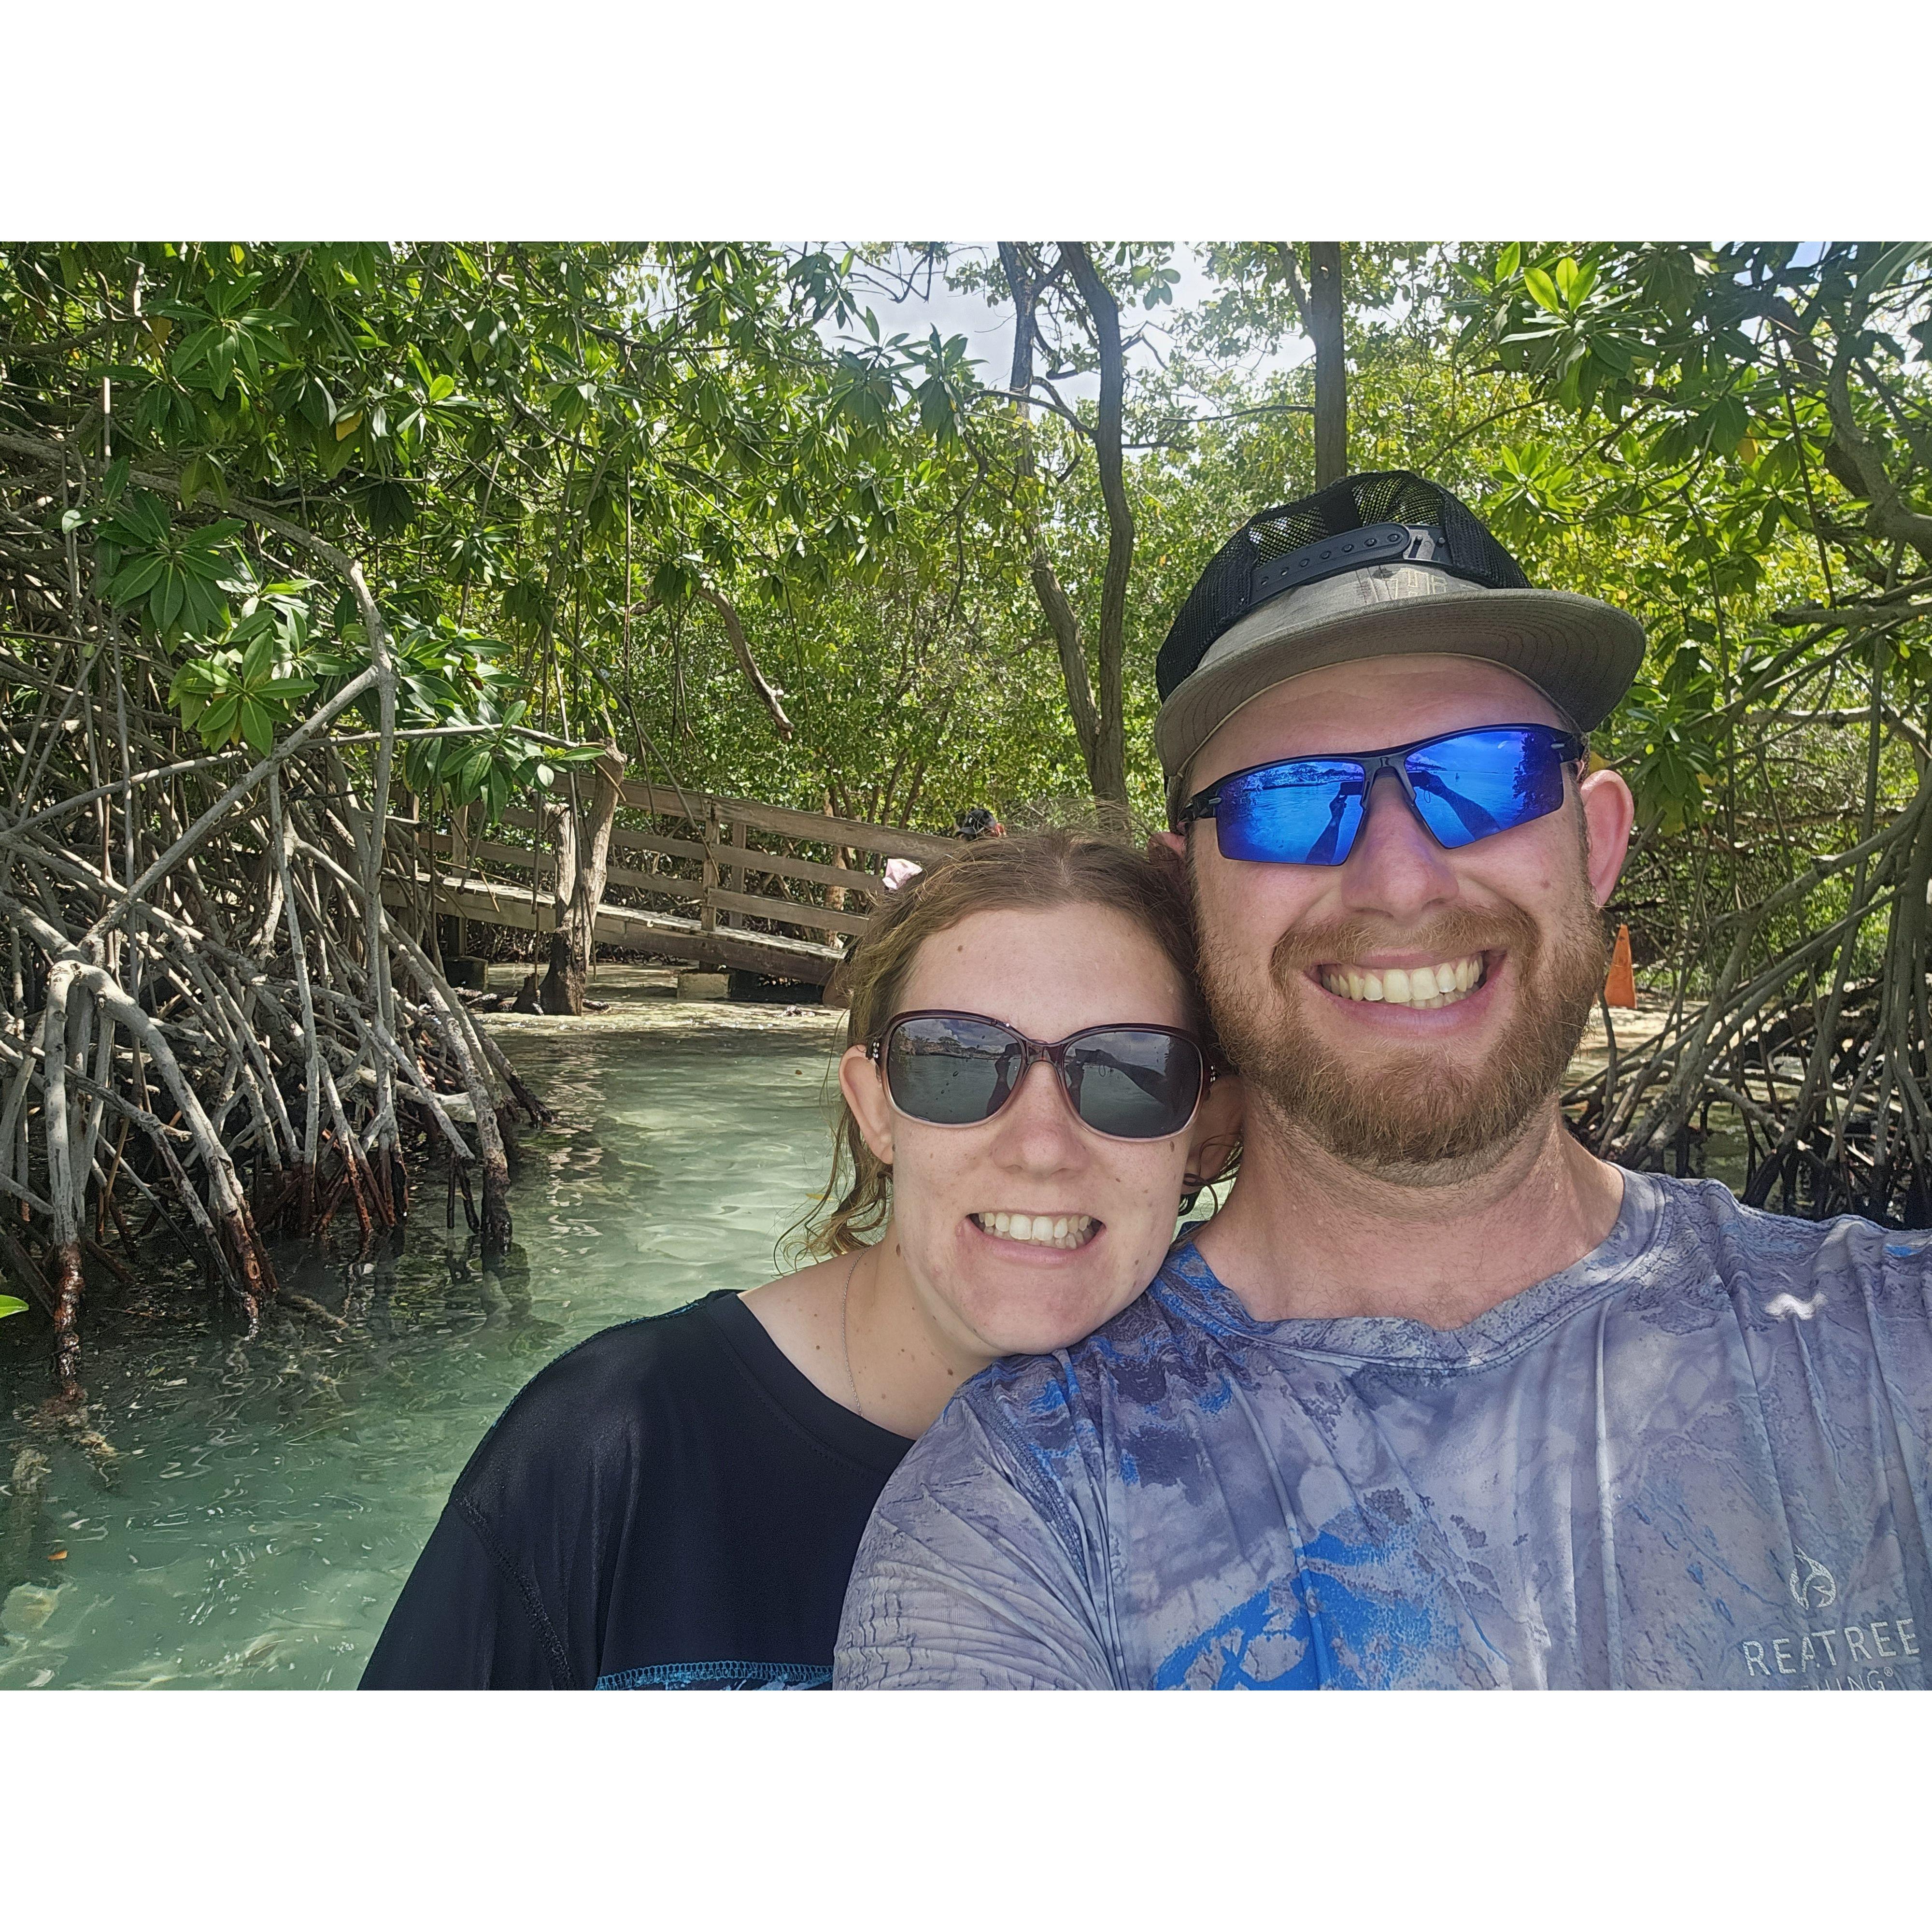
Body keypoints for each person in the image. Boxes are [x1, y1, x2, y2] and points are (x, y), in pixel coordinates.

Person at [837, 470, 1932, 1690]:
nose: (1400, 882)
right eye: (1289, 802)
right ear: (1188, 891)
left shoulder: (1888, 1344)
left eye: (1487, 774)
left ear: (1596, 839)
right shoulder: (1022, 1509)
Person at [360, 830, 1239, 1688]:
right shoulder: (612, 1442)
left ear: (1205, 1130)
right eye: (958, 1061)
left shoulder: (1265, 1481)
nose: (1041, 1147)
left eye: (1130, 1071)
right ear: (876, 1110)